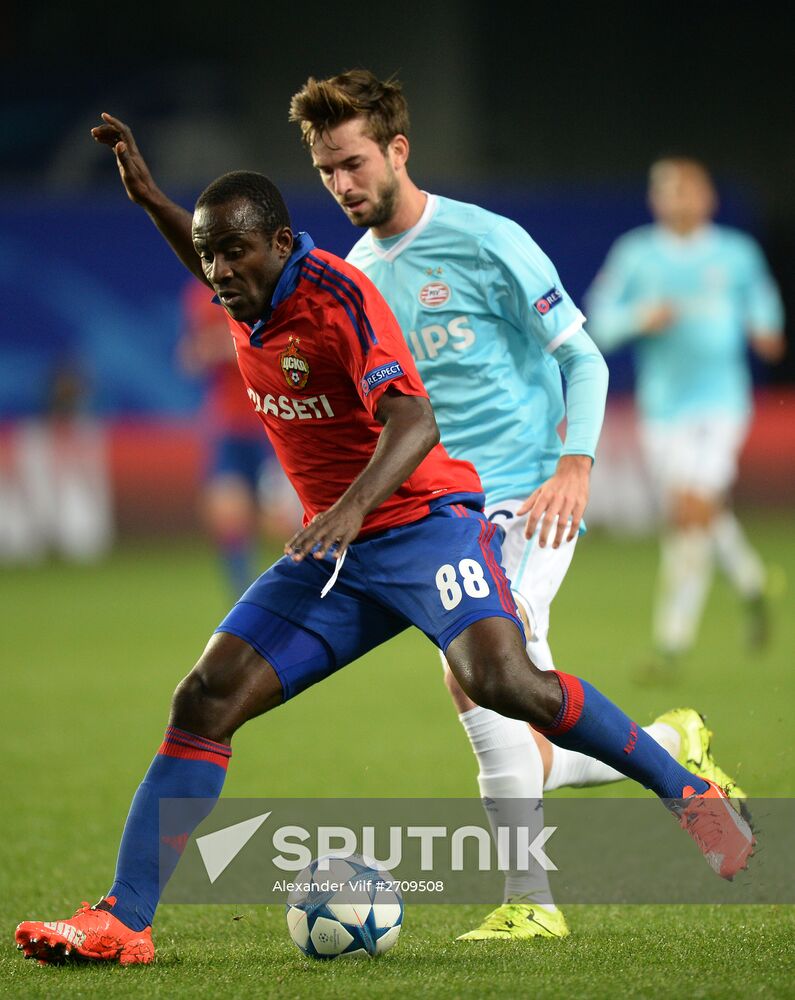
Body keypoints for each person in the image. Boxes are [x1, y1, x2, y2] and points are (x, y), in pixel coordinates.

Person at [15, 116, 753, 967]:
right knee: (204, 698)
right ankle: (123, 918)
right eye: (209, 256)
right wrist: (151, 202)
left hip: (421, 527)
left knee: (501, 682)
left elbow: (414, 417)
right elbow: (212, 257)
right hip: (340, 552)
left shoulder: (335, 297)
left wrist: (349, 509)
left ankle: (688, 793)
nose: (219, 273)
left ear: (282, 245)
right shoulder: (242, 287)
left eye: (236, 254)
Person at [288, 71, 747, 941]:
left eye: (351, 162)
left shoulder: (487, 238)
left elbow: (585, 358)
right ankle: (665, 748)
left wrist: (574, 466)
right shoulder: (355, 278)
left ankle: (531, 904)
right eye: (324, 172)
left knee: (481, 677)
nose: (341, 185)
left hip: (530, 491)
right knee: (502, 694)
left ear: (396, 149)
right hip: (444, 510)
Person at [585, 157, 785, 671]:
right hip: (664, 407)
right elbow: (600, 321)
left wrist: (766, 328)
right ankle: (751, 581)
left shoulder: (735, 255)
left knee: (688, 509)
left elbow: (763, 304)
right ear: (657, 201)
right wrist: (639, 317)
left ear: (707, 197)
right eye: (669, 192)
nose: (679, 200)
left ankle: (671, 642)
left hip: (723, 403)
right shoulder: (636, 255)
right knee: (697, 509)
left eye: (688, 190)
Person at [178, 278, 300, 596]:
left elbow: (277, 347)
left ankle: (310, 585)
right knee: (227, 513)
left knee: (283, 518)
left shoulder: (269, 284)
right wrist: (208, 350)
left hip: (270, 420)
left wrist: (228, 346)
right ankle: (244, 597)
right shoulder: (198, 295)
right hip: (228, 426)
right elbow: (191, 354)